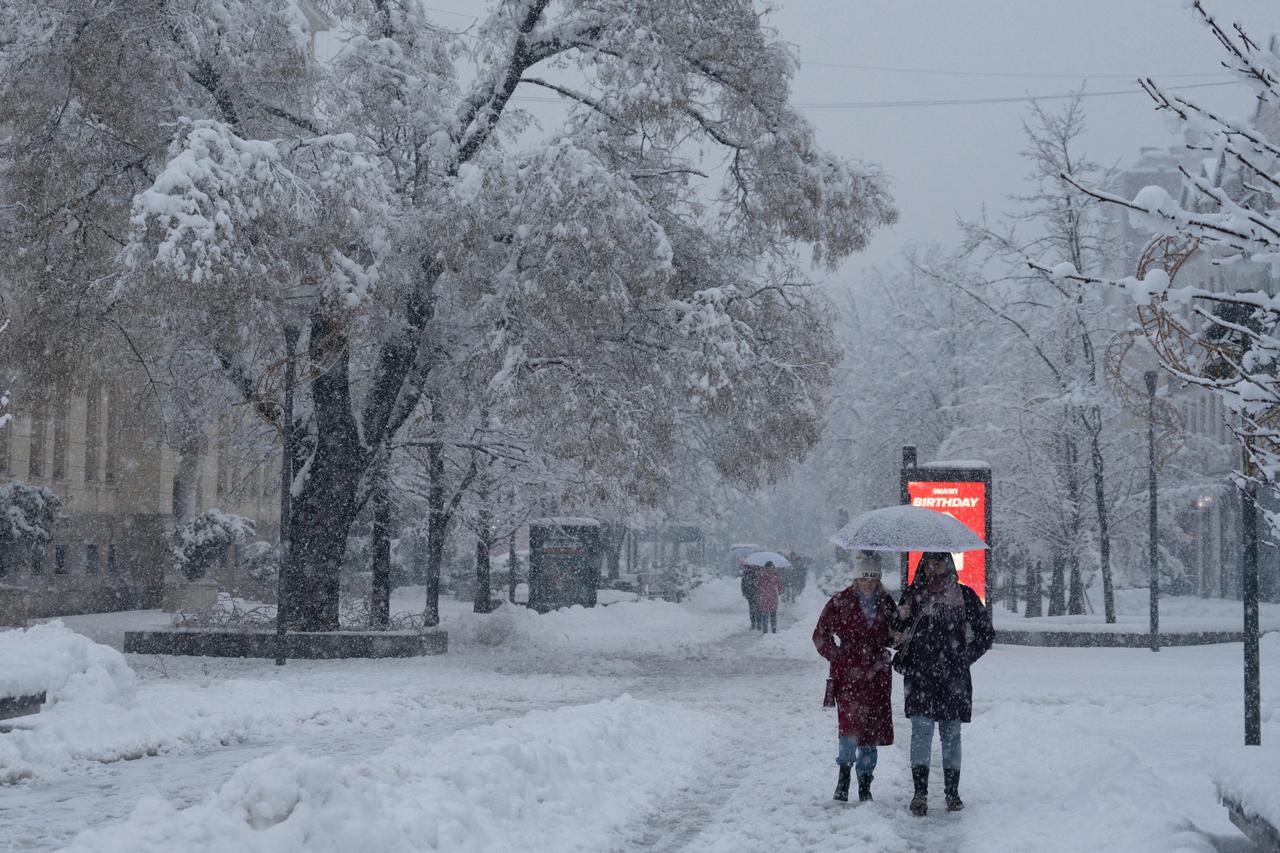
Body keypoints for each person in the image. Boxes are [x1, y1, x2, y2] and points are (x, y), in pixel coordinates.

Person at [895, 551, 994, 816]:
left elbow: (986, 634)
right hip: (920, 676)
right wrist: (900, 618)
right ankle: (920, 794)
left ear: (948, 564)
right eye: (929, 562)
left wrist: (964, 658)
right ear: (923, 565)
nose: (933, 567)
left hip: (953, 678)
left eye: (939, 562)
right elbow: (896, 635)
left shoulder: (965, 596)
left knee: (951, 734)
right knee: (921, 732)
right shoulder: (912, 594)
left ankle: (952, 793)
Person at [812, 551, 897, 802]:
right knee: (849, 728)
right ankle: (844, 776)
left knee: (870, 730)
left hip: (878, 674)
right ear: (856, 578)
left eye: (873, 578)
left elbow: (894, 636)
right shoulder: (840, 602)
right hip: (848, 674)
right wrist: (837, 655)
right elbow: (820, 635)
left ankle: (865, 783)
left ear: (879, 579)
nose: (868, 583)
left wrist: (900, 629)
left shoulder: (887, 603)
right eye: (864, 578)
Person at [757, 561, 781, 633]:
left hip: (764, 598)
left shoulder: (762, 576)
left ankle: (765, 631)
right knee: (773, 615)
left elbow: (757, 586)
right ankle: (773, 630)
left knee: (765, 616)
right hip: (773, 598)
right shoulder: (775, 576)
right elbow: (780, 588)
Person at [741, 562, 760, 629]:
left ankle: (758, 622)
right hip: (749, 594)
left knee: (758, 608)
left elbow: (761, 583)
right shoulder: (746, 573)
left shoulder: (758, 572)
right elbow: (743, 583)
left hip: (757, 593)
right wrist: (744, 592)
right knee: (752, 609)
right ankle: (753, 623)